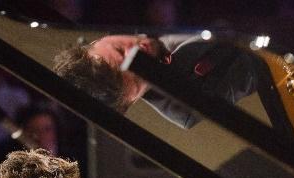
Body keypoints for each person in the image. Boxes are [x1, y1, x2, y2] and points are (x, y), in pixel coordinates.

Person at [53, 34, 258, 128]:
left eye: (119, 49)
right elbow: (257, 67)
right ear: (128, 103)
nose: (138, 52)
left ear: (97, 41)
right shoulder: (187, 107)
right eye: (140, 70)